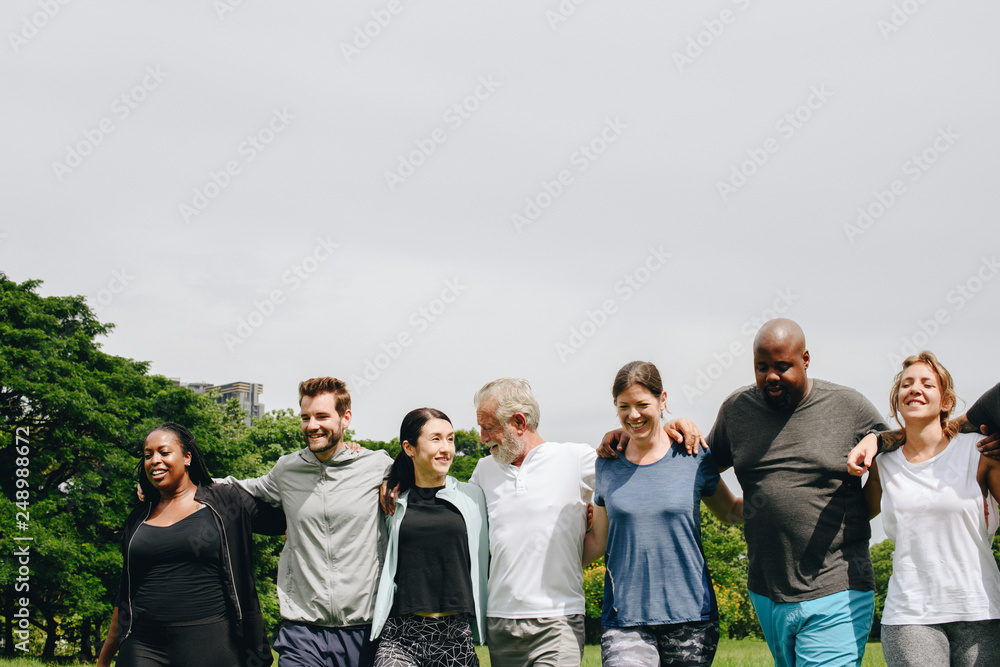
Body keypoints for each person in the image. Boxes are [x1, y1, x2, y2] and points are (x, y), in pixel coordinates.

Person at [602, 319, 888, 666]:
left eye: (782, 366)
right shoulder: (738, 410)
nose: (771, 376)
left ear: (806, 359)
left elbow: (897, 441)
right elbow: (693, 460)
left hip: (836, 583)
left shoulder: (848, 406)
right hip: (768, 591)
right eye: (761, 367)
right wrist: (656, 430)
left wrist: (875, 438)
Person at [469, 376, 703, 667]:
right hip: (500, 621)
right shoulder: (482, 471)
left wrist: (668, 426)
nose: (481, 437)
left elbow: (641, 466)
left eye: (488, 427)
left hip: (559, 619)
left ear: (519, 422)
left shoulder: (574, 458)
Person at [222, 377, 393, 667]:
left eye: (322, 416)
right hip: (302, 630)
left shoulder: (378, 466)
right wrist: (170, 484)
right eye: (305, 417)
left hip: (367, 630)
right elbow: (233, 487)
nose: (312, 425)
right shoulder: (287, 469)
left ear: (345, 418)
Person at [587, 361, 743, 667]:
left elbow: (732, 512)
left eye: (642, 404)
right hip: (625, 618)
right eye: (624, 406)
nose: (633, 415)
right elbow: (599, 540)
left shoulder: (693, 455)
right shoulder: (607, 462)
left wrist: (778, 493)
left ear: (663, 400)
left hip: (691, 616)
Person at [97, 422, 286, 667]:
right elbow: (126, 593)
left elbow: (291, 517)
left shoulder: (225, 501)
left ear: (187, 457)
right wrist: (104, 659)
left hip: (208, 642)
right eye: (148, 455)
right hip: (142, 644)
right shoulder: (138, 517)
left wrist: (338, 456)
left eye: (164, 452)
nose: (155, 460)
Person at [856, 352, 1000, 666]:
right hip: (910, 613)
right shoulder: (883, 462)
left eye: (927, 384)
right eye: (906, 385)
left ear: (946, 401)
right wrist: (873, 440)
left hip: (980, 609)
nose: (915, 389)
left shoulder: (980, 450)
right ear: (897, 401)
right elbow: (856, 516)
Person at [370, 408, 489, 667]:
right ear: (409, 448)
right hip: (401, 636)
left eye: (450, 438)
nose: (446, 447)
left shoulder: (474, 497)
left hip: (456, 638)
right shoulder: (393, 502)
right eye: (435, 439)